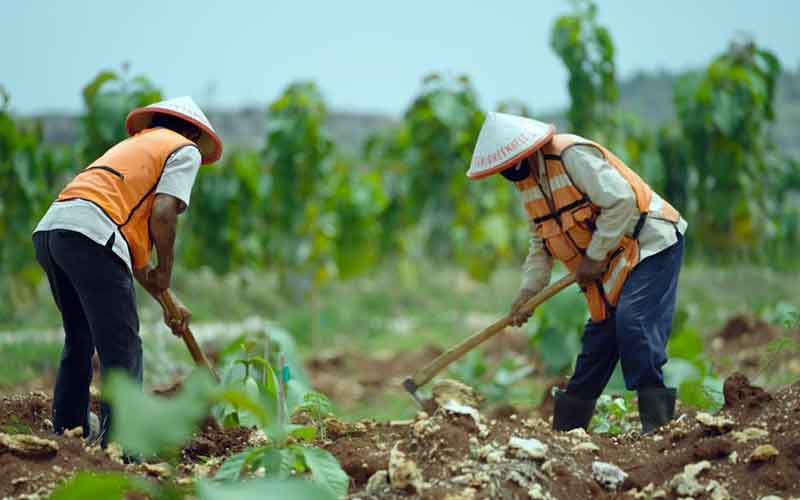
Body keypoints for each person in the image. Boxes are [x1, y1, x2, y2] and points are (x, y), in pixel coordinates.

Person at [467, 112, 687, 433]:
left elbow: (622, 202)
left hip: (649, 243)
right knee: (596, 348)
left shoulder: (571, 155)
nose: (510, 172)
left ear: (528, 151)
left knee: (634, 324)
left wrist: (594, 254)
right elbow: (542, 240)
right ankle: (565, 437)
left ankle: (659, 432)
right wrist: (528, 291)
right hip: (610, 262)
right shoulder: (528, 184)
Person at [32, 97, 223, 446]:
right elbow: (163, 213)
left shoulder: (133, 148)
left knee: (80, 339)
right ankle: (122, 446)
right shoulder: (185, 149)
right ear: (194, 132)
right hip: (93, 236)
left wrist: (170, 301)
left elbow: (125, 255)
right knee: (123, 348)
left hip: (53, 231)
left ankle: (67, 433)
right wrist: (166, 269)